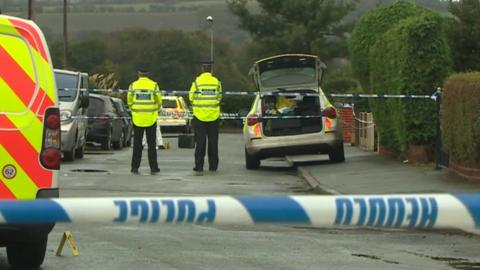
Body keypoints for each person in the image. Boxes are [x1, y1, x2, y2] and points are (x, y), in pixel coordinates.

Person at [189, 61, 222, 175]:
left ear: (202, 69)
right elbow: (219, 97)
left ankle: (199, 166)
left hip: (199, 116)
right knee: (213, 142)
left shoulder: (197, 82)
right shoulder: (216, 82)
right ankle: (213, 166)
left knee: (200, 142)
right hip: (213, 116)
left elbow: (191, 97)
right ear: (211, 70)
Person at [127, 65, 162, 174]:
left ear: (138, 74)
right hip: (151, 118)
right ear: (148, 74)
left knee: (137, 145)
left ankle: (134, 167)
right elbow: (159, 101)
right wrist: (155, 110)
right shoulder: (154, 85)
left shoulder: (133, 86)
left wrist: (134, 111)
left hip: (137, 118)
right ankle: (154, 167)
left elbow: (129, 101)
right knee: (152, 145)